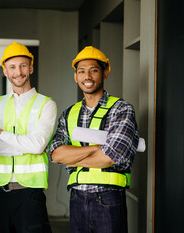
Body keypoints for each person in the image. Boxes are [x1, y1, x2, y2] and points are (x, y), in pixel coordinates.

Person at [49, 46, 139, 233]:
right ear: (76, 77)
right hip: (77, 198)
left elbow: (111, 157)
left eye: (94, 70)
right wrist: (97, 148)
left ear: (104, 73)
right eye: (81, 71)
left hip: (109, 198)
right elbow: (56, 154)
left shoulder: (121, 109)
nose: (87, 76)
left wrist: (73, 157)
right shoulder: (69, 114)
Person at [0, 42, 57, 232]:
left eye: (23, 65)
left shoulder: (46, 104)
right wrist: (27, 145)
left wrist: (1, 134)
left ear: (31, 68)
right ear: (5, 71)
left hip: (30, 194)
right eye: (12, 67)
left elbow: (38, 145)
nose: (18, 72)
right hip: (0, 192)